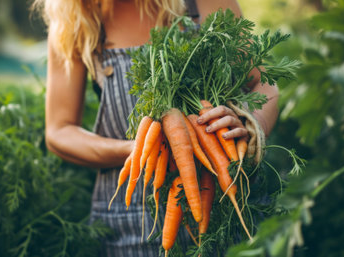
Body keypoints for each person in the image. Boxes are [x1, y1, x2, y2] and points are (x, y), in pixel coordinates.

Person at [34, 0, 279, 256]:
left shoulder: (201, 3)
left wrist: (252, 124)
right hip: (133, 224)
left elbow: (266, 83)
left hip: (231, 207)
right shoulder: (78, 17)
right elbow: (59, 132)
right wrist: (140, 150)